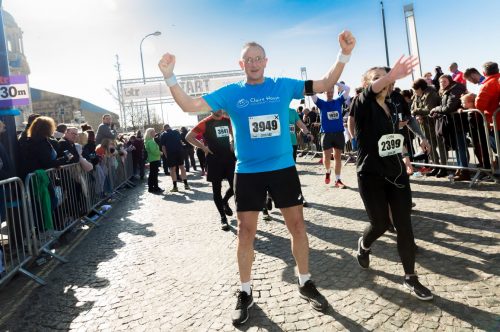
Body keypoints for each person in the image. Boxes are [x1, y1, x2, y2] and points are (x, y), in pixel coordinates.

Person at [158, 30, 356, 325]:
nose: (253, 63)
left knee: (298, 226)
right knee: (245, 232)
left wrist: (344, 54)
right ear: (241, 64)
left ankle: (305, 281)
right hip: (248, 171)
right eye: (248, 59)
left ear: (266, 61)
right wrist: (170, 76)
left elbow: (326, 83)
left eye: (258, 58)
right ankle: (245, 291)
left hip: (282, 169)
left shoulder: (283, 86)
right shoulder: (232, 92)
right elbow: (189, 105)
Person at [350, 56, 433, 301]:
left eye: (384, 78)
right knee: (381, 225)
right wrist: (389, 75)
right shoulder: (361, 103)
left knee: (404, 224)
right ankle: (364, 245)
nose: (382, 82)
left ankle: (410, 277)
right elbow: (371, 90)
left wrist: (406, 157)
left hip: (396, 173)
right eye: (376, 78)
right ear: (367, 83)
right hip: (370, 174)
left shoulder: (394, 105)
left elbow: (396, 139)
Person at [186, 110, 235, 230]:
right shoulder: (205, 123)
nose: (219, 110)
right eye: (216, 108)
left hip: (228, 158)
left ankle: (224, 201)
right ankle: (223, 218)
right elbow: (189, 137)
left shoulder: (227, 120)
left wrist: (232, 141)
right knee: (216, 189)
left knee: (236, 186)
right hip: (214, 160)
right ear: (211, 109)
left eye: (220, 108)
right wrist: (203, 147)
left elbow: (235, 132)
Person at [312, 82, 350, 188]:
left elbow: (348, 89)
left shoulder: (339, 101)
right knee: (327, 158)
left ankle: (338, 180)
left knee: (338, 157)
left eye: (331, 91)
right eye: (328, 91)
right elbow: (311, 93)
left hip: (338, 133)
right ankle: (328, 171)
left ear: (334, 91)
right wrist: (320, 86)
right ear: (325, 92)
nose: (330, 93)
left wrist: (335, 82)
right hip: (326, 134)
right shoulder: (321, 103)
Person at [430, 75, 468, 178]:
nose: (442, 83)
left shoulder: (455, 89)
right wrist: (438, 111)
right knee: (457, 147)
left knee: (460, 147)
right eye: (441, 82)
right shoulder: (446, 91)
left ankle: (464, 171)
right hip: (452, 123)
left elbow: (449, 107)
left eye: (444, 81)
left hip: (457, 122)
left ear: (450, 81)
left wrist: (435, 109)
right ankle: (459, 169)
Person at [160, 124, 190, 192]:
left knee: (172, 169)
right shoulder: (176, 132)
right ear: (169, 127)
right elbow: (180, 142)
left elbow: (163, 147)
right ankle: (186, 185)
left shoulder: (163, 135)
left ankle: (175, 187)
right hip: (179, 152)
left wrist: (166, 156)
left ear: (164, 129)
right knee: (182, 167)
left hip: (170, 153)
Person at [144, 128, 163, 194]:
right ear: (150, 133)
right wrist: (160, 153)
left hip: (153, 159)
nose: (155, 133)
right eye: (154, 132)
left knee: (152, 174)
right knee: (154, 174)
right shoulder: (151, 141)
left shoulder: (149, 141)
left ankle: (151, 188)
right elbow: (154, 151)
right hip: (154, 159)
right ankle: (155, 187)